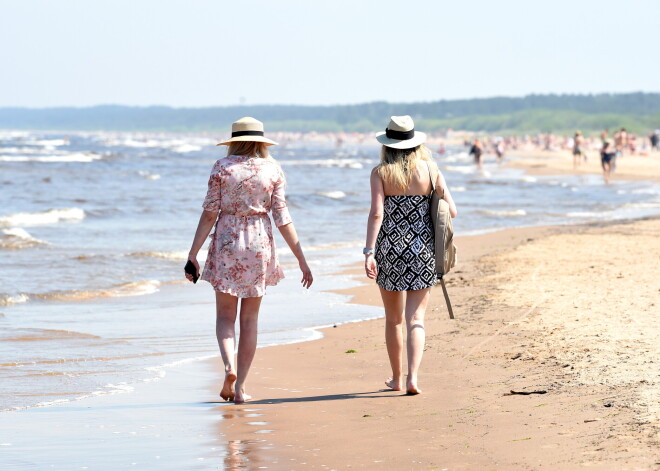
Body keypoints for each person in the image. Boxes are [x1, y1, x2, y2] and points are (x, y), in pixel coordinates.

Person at [186, 117, 313, 403]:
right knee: (250, 319)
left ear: (234, 141)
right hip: (259, 241)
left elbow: (209, 213)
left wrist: (193, 253)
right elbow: (282, 218)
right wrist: (302, 260)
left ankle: (229, 367)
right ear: (261, 142)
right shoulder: (272, 169)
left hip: (227, 239)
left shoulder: (222, 167)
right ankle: (241, 387)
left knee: (225, 317)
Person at [364, 116, 457, 395]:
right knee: (416, 319)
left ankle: (396, 378)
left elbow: (376, 214)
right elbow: (452, 211)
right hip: (423, 249)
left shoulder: (380, 173)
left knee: (393, 320)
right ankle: (413, 378)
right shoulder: (431, 170)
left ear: (388, 145)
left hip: (389, 250)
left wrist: (369, 252)